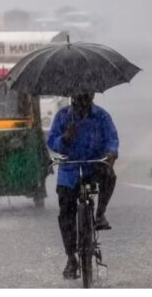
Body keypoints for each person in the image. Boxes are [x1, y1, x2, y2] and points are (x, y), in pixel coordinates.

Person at [46, 92, 119, 279]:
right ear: (72, 98)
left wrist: (111, 153)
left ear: (92, 96)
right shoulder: (62, 117)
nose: (82, 103)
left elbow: (112, 138)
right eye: (78, 99)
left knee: (109, 176)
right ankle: (71, 257)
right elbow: (52, 141)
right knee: (66, 215)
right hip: (69, 172)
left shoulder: (102, 116)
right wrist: (65, 138)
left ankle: (100, 214)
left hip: (94, 166)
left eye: (86, 98)